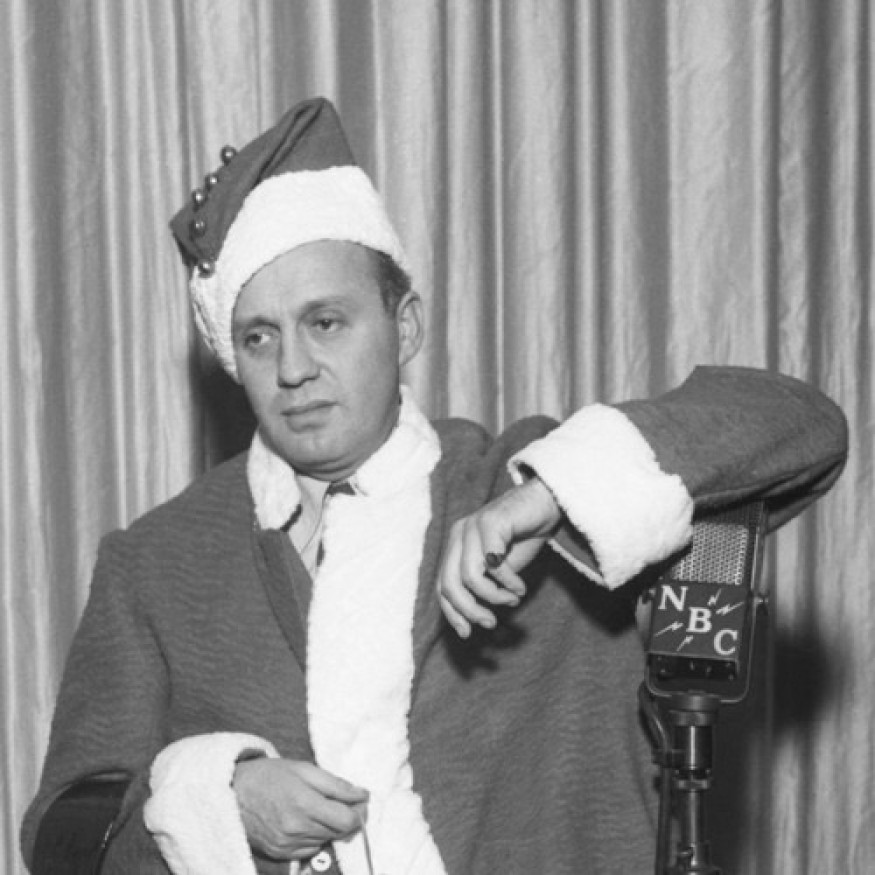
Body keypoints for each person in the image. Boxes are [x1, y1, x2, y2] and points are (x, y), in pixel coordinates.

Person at [21, 98, 848, 875]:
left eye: (325, 321)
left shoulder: (524, 485)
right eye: (259, 337)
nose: (294, 367)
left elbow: (801, 425)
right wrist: (211, 800)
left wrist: (550, 497)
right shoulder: (155, 560)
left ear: (405, 324)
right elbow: (63, 832)